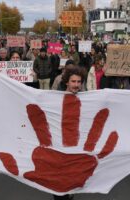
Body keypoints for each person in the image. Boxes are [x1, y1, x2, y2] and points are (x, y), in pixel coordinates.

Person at [53, 66, 86, 200]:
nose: (76, 85)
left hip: (75, 147)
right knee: (57, 182)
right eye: (73, 81)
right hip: (58, 146)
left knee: (71, 178)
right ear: (67, 82)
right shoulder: (55, 99)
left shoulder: (87, 100)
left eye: (79, 82)